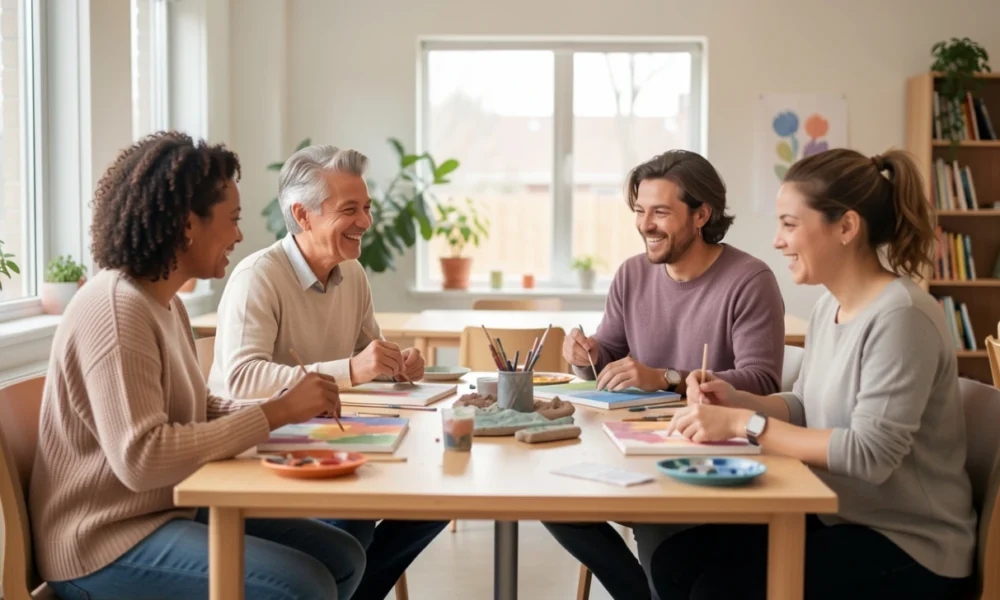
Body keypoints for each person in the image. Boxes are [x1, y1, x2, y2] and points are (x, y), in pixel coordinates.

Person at [30, 131, 367, 600]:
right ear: (189, 224)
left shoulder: (164, 302)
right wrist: (273, 415)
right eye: (232, 220)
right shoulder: (116, 308)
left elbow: (195, 405)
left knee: (344, 557)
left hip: (167, 510)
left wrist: (284, 409)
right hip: (103, 541)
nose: (239, 235)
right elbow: (142, 458)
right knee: (304, 585)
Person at [648, 148, 978, 599]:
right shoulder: (829, 307)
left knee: (717, 589)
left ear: (845, 227)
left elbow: (869, 455)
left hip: (912, 545)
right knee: (673, 561)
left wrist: (746, 425)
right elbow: (803, 407)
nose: (778, 241)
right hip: (837, 517)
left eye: (789, 224)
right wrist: (738, 400)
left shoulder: (901, 317)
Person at [543, 149, 786, 600]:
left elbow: (763, 382)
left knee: (660, 531)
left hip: (708, 453)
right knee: (554, 499)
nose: (645, 224)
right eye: (639, 210)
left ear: (701, 215)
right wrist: (585, 354)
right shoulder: (632, 274)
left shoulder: (750, 279)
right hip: (632, 443)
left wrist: (667, 378)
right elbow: (610, 354)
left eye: (660, 212)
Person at [210, 143, 446, 600]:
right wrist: (352, 368)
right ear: (303, 215)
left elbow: (365, 360)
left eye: (367, 207)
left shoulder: (352, 274)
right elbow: (241, 379)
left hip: (329, 438)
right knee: (354, 516)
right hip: (262, 449)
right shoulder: (257, 276)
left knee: (436, 497)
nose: (367, 222)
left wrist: (398, 365)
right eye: (350, 209)